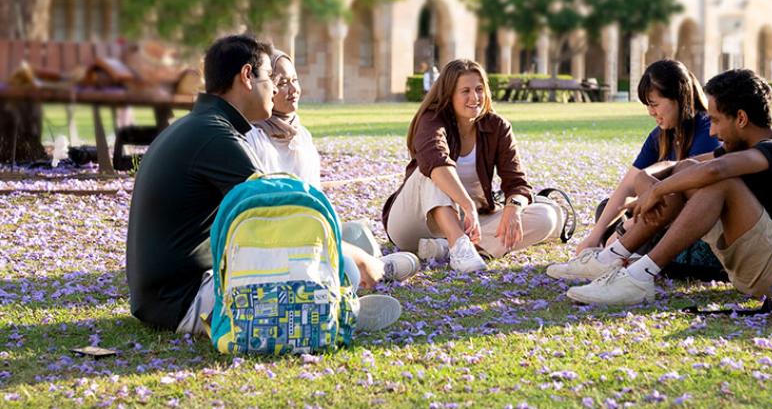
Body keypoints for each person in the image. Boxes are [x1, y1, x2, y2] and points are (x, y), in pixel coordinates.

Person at [126, 35, 402, 337]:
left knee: (334, 258)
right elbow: (283, 214)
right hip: (184, 300)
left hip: (161, 298)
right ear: (247, 76)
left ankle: (345, 295)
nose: (275, 88)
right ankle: (336, 312)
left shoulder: (200, 125)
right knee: (344, 267)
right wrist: (359, 257)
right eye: (270, 77)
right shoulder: (214, 136)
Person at [563, 68, 772, 306]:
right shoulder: (742, 149)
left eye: (715, 120)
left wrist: (656, 191)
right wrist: (648, 180)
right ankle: (612, 257)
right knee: (687, 172)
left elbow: (715, 170)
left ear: (741, 118)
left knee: (719, 183)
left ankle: (639, 276)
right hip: (757, 268)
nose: (712, 132)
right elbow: (681, 165)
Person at [245, 48, 419, 287]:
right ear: (264, 86)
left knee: (359, 232)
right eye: (281, 82)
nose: (293, 90)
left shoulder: (300, 134)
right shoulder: (254, 137)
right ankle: (369, 273)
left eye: (295, 80)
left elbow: (314, 196)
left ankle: (371, 266)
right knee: (346, 266)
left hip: (312, 228)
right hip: (282, 238)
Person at [382, 58, 568, 272]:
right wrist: (467, 204)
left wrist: (514, 207)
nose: (475, 97)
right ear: (449, 95)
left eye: (479, 89)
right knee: (433, 172)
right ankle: (459, 245)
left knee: (547, 217)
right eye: (465, 91)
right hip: (413, 224)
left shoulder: (497, 127)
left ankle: (444, 249)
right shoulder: (431, 119)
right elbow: (436, 161)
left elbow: (516, 182)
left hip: (469, 221)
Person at [547, 59, 719, 281]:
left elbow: (686, 197)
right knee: (606, 209)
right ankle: (624, 252)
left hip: (688, 221)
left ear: (679, 97)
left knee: (632, 221)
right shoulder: (660, 135)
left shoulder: (707, 129)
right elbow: (628, 185)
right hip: (658, 215)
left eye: (655, 104)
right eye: (647, 105)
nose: (650, 112)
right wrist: (595, 235)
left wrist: (625, 229)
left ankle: (622, 254)